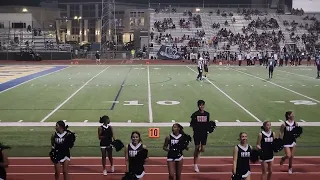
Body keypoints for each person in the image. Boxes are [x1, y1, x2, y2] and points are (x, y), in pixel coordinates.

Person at [190, 100, 210, 172]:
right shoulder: (195, 114)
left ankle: (198, 153)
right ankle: (195, 165)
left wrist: (209, 129)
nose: (202, 106)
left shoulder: (207, 114)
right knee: (197, 148)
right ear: (198, 106)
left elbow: (208, 123)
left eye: (203, 105)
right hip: (197, 134)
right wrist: (195, 127)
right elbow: (191, 124)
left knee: (203, 149)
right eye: (200, 105)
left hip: (204, 134)